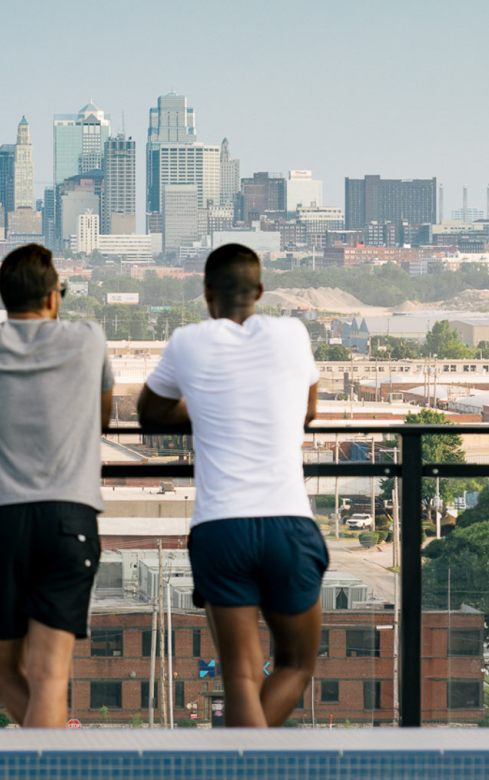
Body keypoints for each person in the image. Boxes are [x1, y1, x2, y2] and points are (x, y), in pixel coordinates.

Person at [136, 243, 324, 728]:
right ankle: (251, 764)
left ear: (207, 292)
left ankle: (243, 763)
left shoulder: (187, 341)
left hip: (221, 527)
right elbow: (308, 412)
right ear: (260, 290)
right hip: (288, 521)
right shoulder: (293, 333)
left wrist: (201, 409)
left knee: (240, 675)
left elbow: (148, 414)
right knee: (297, 664)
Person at [0, 243, 113, 727]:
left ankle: (41, 758)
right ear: (54, 297)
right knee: (50, 677)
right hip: (69, 520)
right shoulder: (89, 339)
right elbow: (101, 418)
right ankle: (48, 760)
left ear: (4, 296)